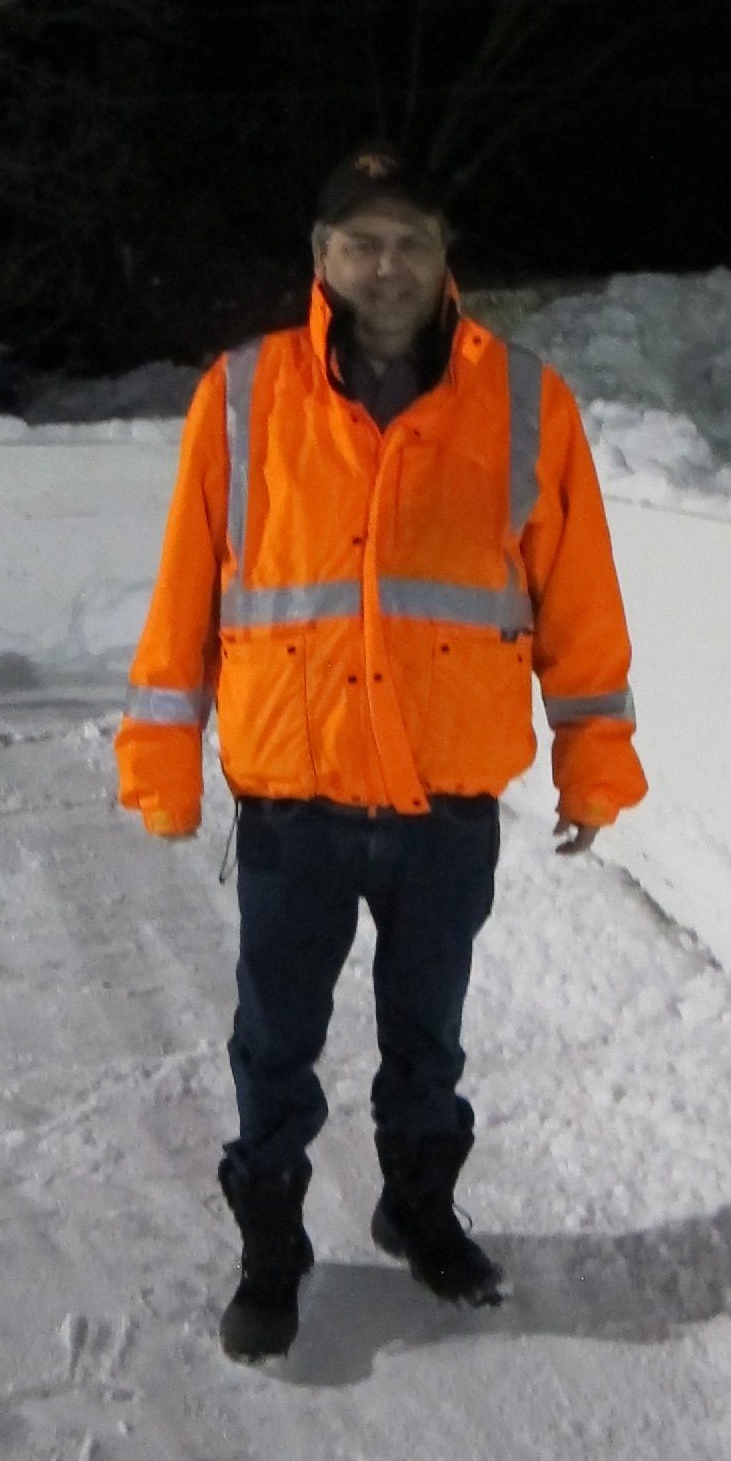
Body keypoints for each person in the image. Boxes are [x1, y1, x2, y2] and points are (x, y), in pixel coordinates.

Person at [115, 145, 647, 1362]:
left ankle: (418, 1208)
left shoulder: (525, 401)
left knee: (430, 1036)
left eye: (410, 238)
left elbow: (580, 605)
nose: (388, 264)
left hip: (444, 800)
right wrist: (162, 761)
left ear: (444, 251)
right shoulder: (244, 396)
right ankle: (271, 1246)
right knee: (275, 1041)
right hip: (294, 799)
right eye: (361, 241)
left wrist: (595, 763)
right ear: (320, 258)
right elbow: (187, 594)